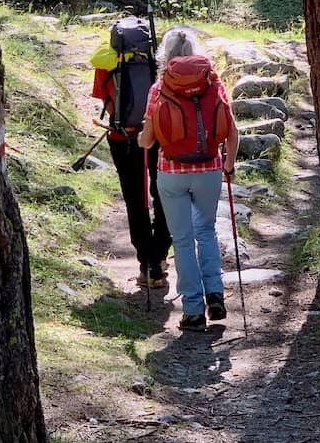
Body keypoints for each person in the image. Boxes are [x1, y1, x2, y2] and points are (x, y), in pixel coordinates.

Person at [138, 27, 239, 332]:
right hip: (209, 169)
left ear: (164, 56)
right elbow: (231, 131)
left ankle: (193, 310)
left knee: (182, 241)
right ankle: (216, 295)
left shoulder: (159, 88)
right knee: (205, 232)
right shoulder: (214, 83)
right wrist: (229, 165)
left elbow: (146, 142)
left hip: (171, 173)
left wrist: (144, 132)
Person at [90, 19, 171, 289]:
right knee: (163, 196)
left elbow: (103, 98)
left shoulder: (108, 60)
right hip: (157, 135)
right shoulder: (157, 60)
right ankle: (159, 259)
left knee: (135, 201)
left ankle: (145, 264)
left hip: (121, 138)